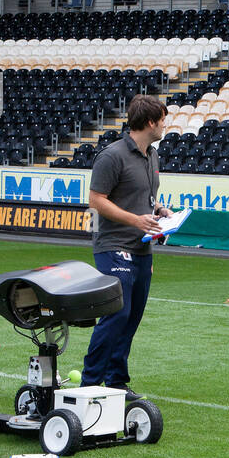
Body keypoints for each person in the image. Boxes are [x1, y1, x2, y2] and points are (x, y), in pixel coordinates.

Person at [81, 94, 171, 400]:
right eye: (161, 119)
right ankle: (90, 384)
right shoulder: (112, 156)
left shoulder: (153, 154)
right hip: (113, 245)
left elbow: (143, 197)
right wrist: (136, 220)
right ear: (149, 122)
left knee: (131, 317)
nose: (164, 124)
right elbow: (96, 201)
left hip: (142, 247)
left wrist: (160, 210)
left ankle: (116, 382)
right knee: (117, 313)